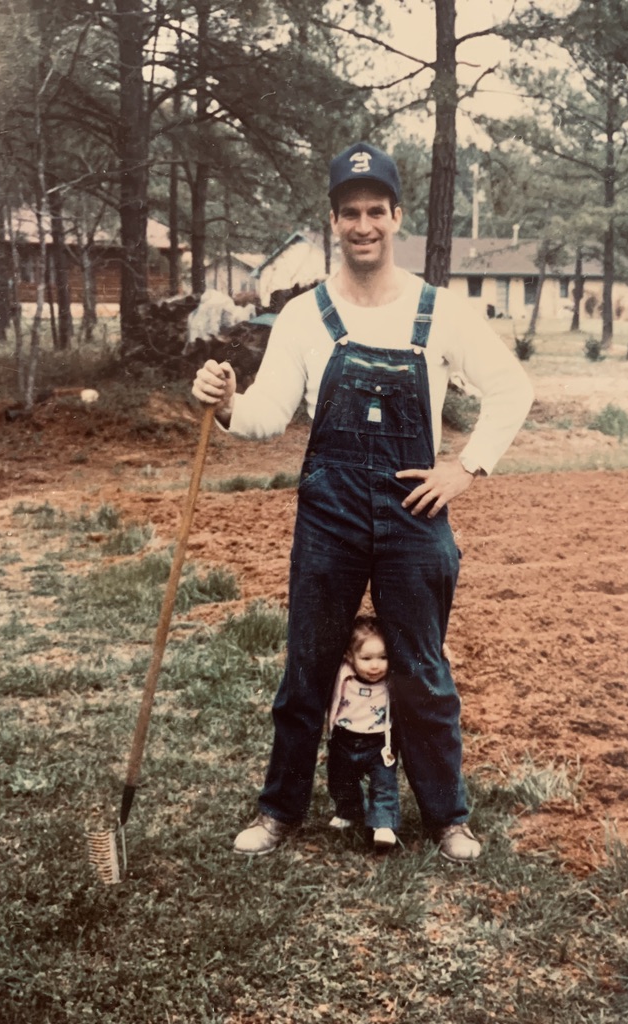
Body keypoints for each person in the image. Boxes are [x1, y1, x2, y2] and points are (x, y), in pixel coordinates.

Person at [192, 141, 534, 862]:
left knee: (423, 670)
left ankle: (448, 819)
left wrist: (464, 467)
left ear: (396, 216)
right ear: (333, 221)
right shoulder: (303, 317)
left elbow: (512, 388)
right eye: (350, 212)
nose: (363, 224)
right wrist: (225, 405)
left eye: (376, 210)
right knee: (308, 665)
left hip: (417, 515)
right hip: (332, 513)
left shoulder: (438, 312)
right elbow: (264, 415)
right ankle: (280, 811)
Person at [327, 614, 399, 850]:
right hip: (343, 739)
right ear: (350, 657)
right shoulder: (343, 676)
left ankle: (384, 825)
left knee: (384, 785)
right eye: (366, 658)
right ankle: (349, 810)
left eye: (383, 657)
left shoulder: (390, 681)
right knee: (341, 780)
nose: (375, 665)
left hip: (379, 743)